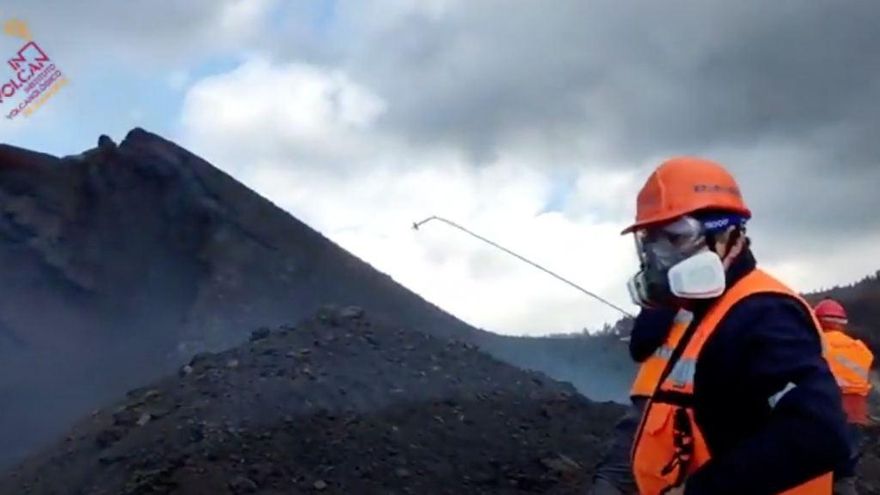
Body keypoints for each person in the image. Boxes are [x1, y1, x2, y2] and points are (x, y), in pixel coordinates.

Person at [623, 156, 850, 495]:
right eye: (651, 241)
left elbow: (818, 433)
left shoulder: (765, 311)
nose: (661, 257)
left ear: (729, 235)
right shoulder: (707, 306)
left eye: (675, 238)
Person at [814, 298, 875, 495]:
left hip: (825, 411)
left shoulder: (815, 345)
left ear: (817, 321)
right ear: (842, 323)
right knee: (846, 475)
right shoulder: (861, 349)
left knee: (816, 473)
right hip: (856, 414)